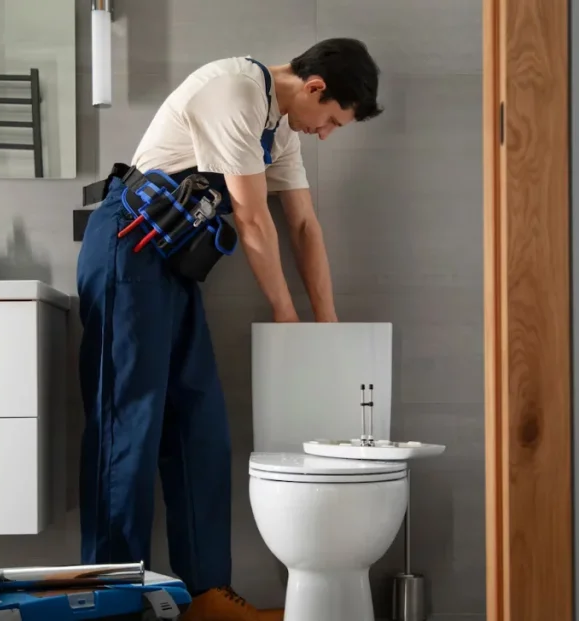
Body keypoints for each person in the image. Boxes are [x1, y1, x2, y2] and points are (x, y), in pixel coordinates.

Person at [76, 38, 383, 621]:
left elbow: (304, 226)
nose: (325, 133)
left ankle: (206, 597)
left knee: (202, 430)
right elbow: (250, 216)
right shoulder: (235, 91)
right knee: (127, 429)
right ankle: (110, 604)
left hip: (172, 264)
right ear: (316, 88)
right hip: (128, 248)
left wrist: (329, 324)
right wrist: (286, 318)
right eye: (333, 121)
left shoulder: (281, 127)